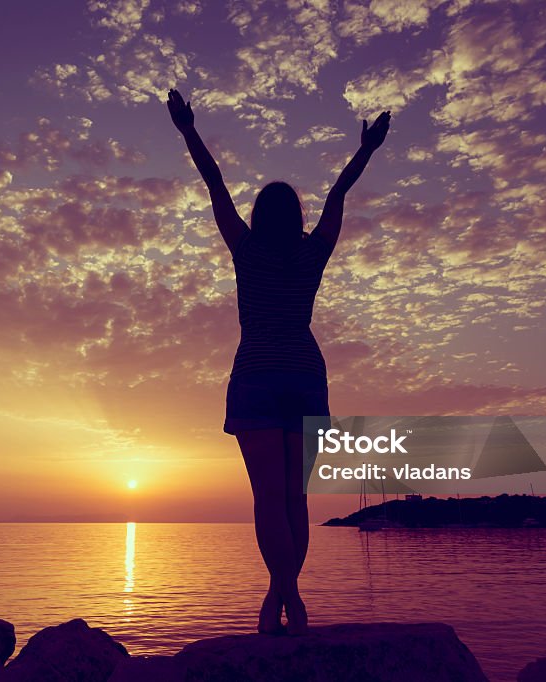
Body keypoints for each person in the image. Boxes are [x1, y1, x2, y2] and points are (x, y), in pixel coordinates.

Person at [167, 88, 390, 635]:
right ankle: (288, 593)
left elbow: (214, 185)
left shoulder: (247, 250)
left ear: (257, 217)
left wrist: (188, 130)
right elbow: (339, 197)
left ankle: (280, 593)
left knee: (268, 497)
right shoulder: (312, 253)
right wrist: (367, 150)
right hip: (305, 377)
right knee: (296, 496)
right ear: (296, 217)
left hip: (258, 377)